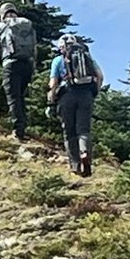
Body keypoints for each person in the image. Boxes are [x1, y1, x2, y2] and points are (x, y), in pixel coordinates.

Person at [47, 32, 101, 175]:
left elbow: (53, 83)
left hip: (66, 96)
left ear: (61, 47)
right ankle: (85, 153)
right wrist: (95, 92)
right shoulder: (87, 57)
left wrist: (51, 100)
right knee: (84, 129)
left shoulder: (58, 60)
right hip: (86, 95)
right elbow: (100, 76)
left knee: (69, 132)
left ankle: (75, 165)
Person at [0, 1, 38, 142]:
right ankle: (23, 128)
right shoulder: (26, 24)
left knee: (13, 98)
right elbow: (34, 48)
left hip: (11, 65)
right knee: (20, 97)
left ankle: (18, 131)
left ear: (2, 14)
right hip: (27, 65)